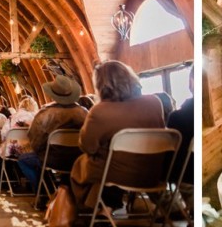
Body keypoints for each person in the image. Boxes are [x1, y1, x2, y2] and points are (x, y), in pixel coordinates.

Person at [70, 60, 165, 209]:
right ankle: (107, 205)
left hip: (117, 173)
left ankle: (92, 208)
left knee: (80, 165)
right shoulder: (154, 102)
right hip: (153, 173)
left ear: (101, 84)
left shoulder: (100, 111)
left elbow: (87, 147)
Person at [17, 76, 89, 188]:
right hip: (79, 158)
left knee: (23, 159)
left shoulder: (45, 113)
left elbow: (34, 139)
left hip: (52, 159)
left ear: (53, 94)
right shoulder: (84, 113)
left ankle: (42, 191)